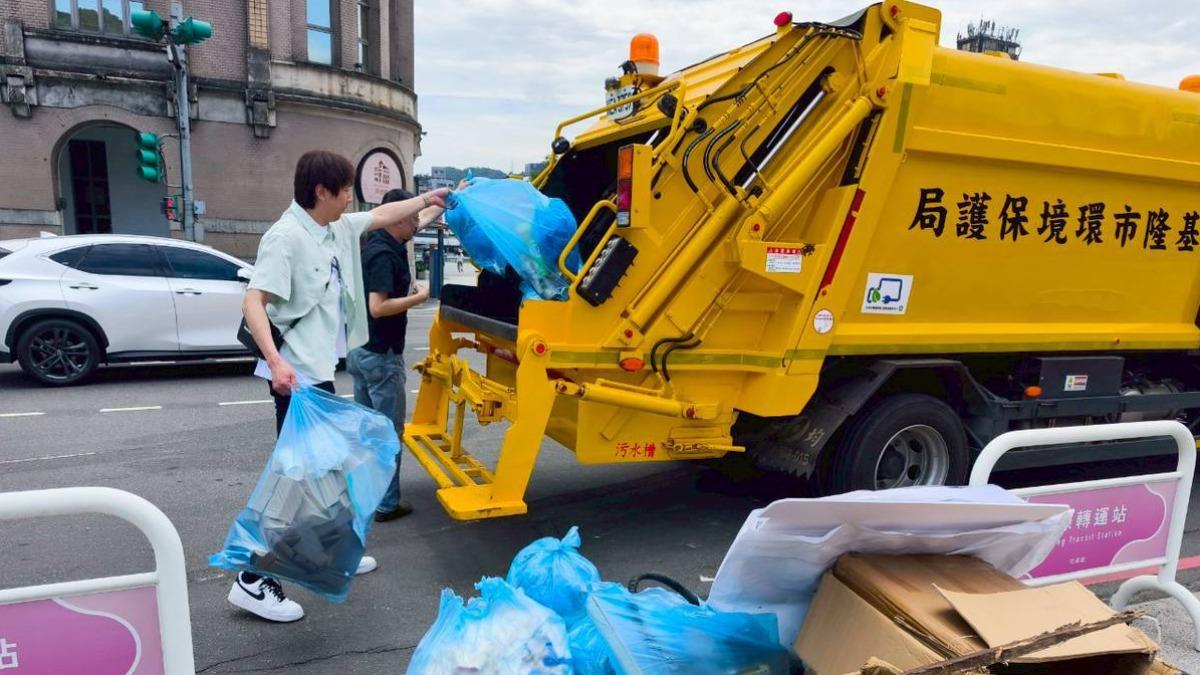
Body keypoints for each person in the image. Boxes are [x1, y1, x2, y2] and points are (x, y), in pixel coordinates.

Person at [231, 150, 449, 623]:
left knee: (328, 471)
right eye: (345, 189)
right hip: (295, 379)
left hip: (320, 373)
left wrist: (427, 199)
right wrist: (276, 363)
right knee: (296, 479)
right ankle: (251, 578)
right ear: (320, 192)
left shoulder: (335, 229)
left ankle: (333, 551)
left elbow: (382, 214)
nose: (352, 196)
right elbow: (254, 301)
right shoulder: (285, 237)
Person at [347, 187, 438, 521]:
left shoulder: (383, 239)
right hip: (380, 357)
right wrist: (420, 297)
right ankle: (387, 503)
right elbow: (379, 306)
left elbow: (420, 217)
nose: (417, 223)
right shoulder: (383, 255)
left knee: (368, 432)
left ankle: (366, 494)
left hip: (360, 351)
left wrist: (440, 203)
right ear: (395, 219)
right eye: (411, 217)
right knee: (386, 433)